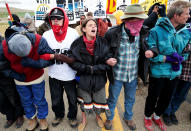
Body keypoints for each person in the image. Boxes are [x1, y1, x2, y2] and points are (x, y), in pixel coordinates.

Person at [0, 24, 62, 131]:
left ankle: (42, 119)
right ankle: (32, 119)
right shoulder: (4, 46)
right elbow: (2, 64)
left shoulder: (39, 40)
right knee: (26, 101)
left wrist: (35, 63)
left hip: (37, 77)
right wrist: (14, 74)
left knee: (39, 100)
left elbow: (50, 58)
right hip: (20, 80)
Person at [144, 1, 191, 131]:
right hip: (158, 73)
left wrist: (181, 58)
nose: (188, 16)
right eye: (186, 13)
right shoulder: (156, 30)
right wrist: (166, 58)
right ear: (176, 15)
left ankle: (157, 116)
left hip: (175, 73)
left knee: (166, 98)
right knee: (153, 97)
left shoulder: (187, 32)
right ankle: (147, 117)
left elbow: (186, 53)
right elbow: (151, 55)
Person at [104, 4, 148, 130]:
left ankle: (128, 117)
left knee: (130, 99)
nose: (139, 23)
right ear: (126, 20)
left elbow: (150, 46)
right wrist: (107, 59)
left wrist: (151, 52)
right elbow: (104, 50)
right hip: (117, 74)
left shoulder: (144, 31)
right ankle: (110, 117)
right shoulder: (112, 33)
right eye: (136, 20)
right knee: (112, 98)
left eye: (141, 19)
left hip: (133, 75)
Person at [69, 18, 112, 131]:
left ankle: (98, 117)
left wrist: (95, 68)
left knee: (99, 99)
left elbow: (108, 61)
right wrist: (88, 69)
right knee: (84, 100)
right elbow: (72, 63)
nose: (94, 27)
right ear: (83, 29)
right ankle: (84, 120)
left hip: (99, 77)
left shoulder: (103, 42)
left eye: (95, 25)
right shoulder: (76, 44)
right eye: (90, 25)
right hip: (82, 77)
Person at [42, 7, 79, 128]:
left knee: (72, 100)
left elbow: (79, 52)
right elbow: (41, 54)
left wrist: (70, 59)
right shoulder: (46, 34)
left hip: (70, 75)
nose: (56, 20)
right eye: (53, 18)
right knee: (56, 100)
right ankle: (59, 115)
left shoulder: (73, 33)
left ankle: (72, 117)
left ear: (64, 19)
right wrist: (53, 55)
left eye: (59, 18)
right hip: (54, 74)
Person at [162, 9, 191, 126]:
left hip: (189, 75)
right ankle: (167, 112)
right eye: (187, 14)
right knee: (171, 92)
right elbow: (178, 47)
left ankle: (172, 111)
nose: (188, 16)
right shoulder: (186, 30)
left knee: (182, 96)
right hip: (180, 68)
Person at [0, 33, 24, 129]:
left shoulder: (4, 44)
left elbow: (12, 61)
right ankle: (10, 116)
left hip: (6, 77)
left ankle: (19, 116)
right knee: (1, 100)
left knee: (13, 98)